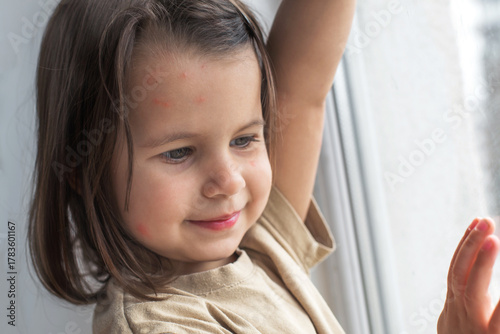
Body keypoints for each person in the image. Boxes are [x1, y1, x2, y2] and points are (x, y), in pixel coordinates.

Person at [28, 0, 355, 332]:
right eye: (179, 152)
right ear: (82, 170)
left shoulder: (264, 242)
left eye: (243, 140)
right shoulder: (159, 326)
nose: (229, 182)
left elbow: (302, 93)